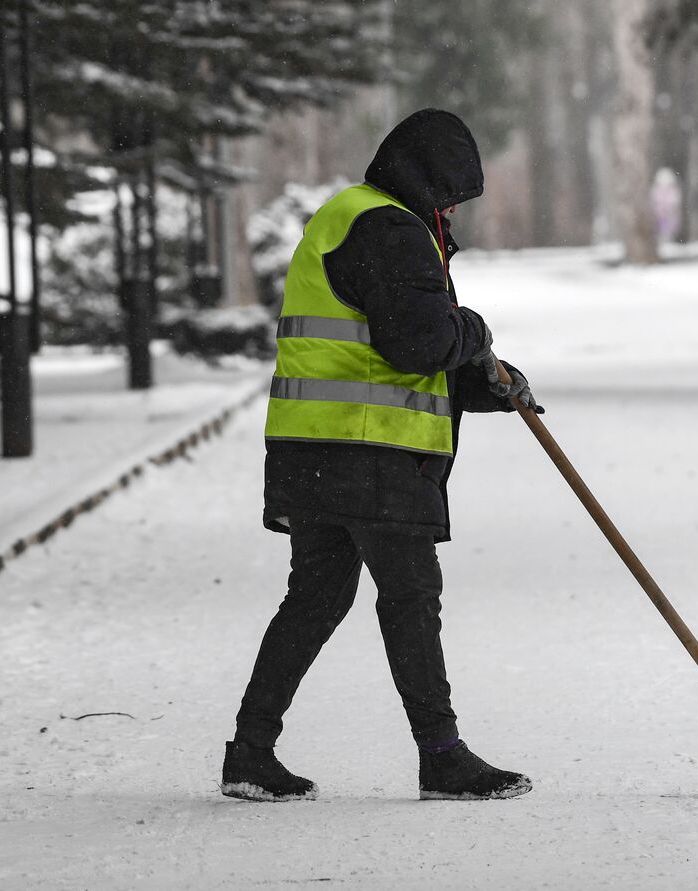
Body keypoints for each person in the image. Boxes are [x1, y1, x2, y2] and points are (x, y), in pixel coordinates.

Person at [221, 109, 539, 802]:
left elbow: (382, 345)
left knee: (314, 598)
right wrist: (477, 331)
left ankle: (249, 751)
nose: (454, 206)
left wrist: (486, 382)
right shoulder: (392, 229)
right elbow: (418, 343)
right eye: (451, 192)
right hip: (371, 452)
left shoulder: (352, 216)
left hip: (315, 447)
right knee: (410, 598)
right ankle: (443, 756)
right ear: (424, 179)